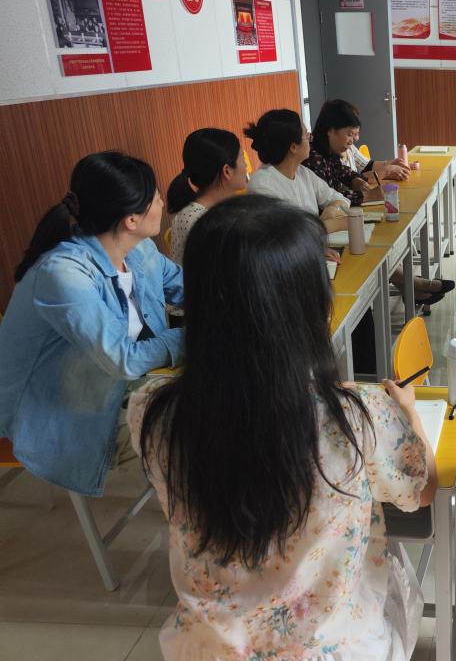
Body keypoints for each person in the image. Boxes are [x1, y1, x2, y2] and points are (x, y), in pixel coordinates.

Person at [131, 194, 437, 660]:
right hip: (335, 649)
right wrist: (408, 412)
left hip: (206, 650)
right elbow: (423, 489)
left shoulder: (152, 412)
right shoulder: (359, 417)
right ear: (311, 304)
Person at [0, 152, 183, 497]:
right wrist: (198, 335)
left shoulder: (139, 250)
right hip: (62, 409)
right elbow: (123, 359)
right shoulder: (64, 274)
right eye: (156, 195)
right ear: (131, 219)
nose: (162, 201)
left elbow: (189, 286)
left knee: (225, 394)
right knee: (203, 427)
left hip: (112, 383)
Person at [308, 100, 455, 305]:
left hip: (336, 219)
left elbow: (345, 174)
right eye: (349, 134)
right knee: (372, 243)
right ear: (330, 131)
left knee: (378, 237)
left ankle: (411, 286)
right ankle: (413, 284)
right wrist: (366, 196)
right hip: (325, 228)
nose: (353, 140)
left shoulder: (329, 153)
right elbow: (327, 200)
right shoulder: (313, 159)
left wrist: (357, 181)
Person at [245, 108, 350, 235]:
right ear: (293, 147)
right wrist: (336, 223)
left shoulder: (303, 172)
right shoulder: (262, 185)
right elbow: (290, 235)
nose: (310, 139)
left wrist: (333, 209)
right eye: (306, 135)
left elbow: (341, 200)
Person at [166, 128, 249, 263]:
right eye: (242, 158)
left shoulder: (222, 209)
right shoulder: (197, 221)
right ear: (227, 171)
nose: (246, 165)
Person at [315, 99, 411, 182]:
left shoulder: (347, 147)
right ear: (330, 131)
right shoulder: (318, 161)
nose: (356, 138)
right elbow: (350, 183)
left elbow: (367, 166)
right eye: (350, 134)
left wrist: (390, 163)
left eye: (356, 133)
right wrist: (386, 171)